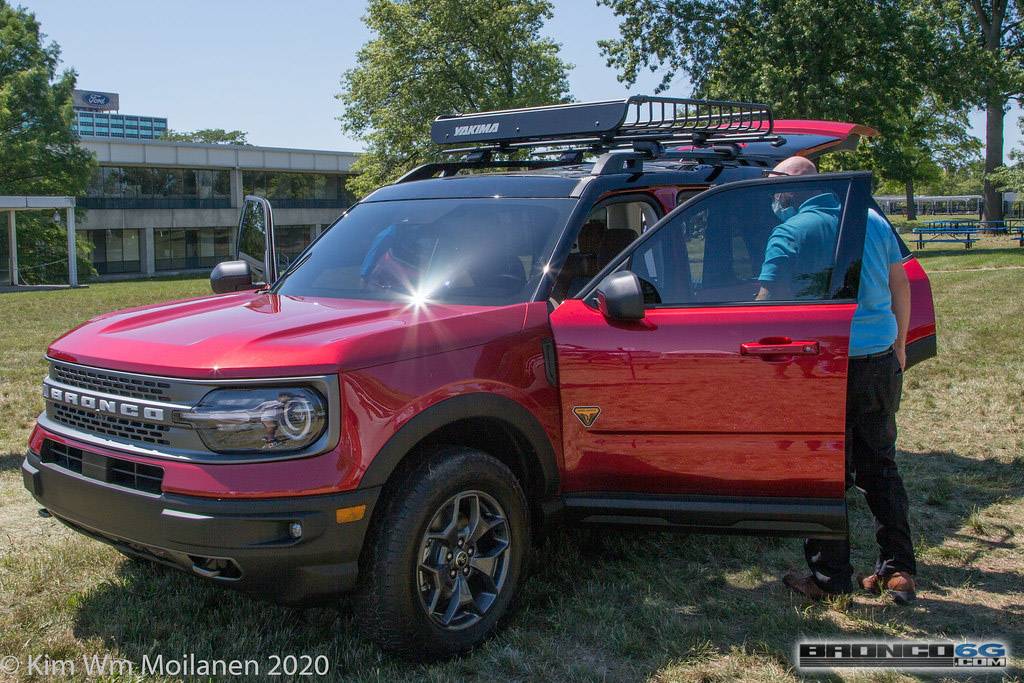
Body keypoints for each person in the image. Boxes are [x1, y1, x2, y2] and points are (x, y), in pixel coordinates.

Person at [767, 157, 917, 605]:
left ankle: (830, 579)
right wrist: (900, 344)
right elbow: (900, 284)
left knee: (824, 473)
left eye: (775, 185)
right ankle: (898, 570)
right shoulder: (872, 220)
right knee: (881, 467)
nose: (772, 194)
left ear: (793, 188)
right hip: (878, 359)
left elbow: (765, 301)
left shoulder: (790, 232)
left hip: (823, 366)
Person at [755, 156, 841, 301]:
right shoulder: (871, 219)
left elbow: (767, 300)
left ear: (790, 189)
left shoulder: (787, 234)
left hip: (815, 315)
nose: (774, 199)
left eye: (775, 192)